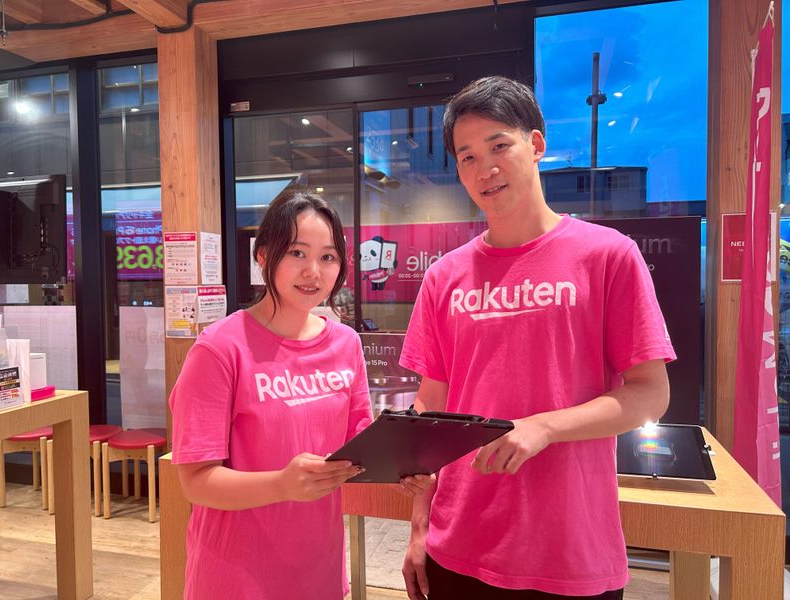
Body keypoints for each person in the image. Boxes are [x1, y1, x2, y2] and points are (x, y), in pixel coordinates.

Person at [399, 76, 676, 600]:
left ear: (536, 144)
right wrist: (419, 526)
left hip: (568, 552)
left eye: (499, 146)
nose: (485, 168)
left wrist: (543, 427)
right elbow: (432, 407)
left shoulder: (607, 256)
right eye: (467, 157)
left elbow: (650, 393)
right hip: (457, 548)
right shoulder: (444, 277)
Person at [170, 190, 430, 599]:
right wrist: (282, 484)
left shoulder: (345, 343)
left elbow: (358, 444)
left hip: (317, 570)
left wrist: (402, 465)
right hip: (235, 577)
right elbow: (195, 481)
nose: (313, 271)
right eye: (296, 252)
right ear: (263, 255)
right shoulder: (220, 349)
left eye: (328, 257)